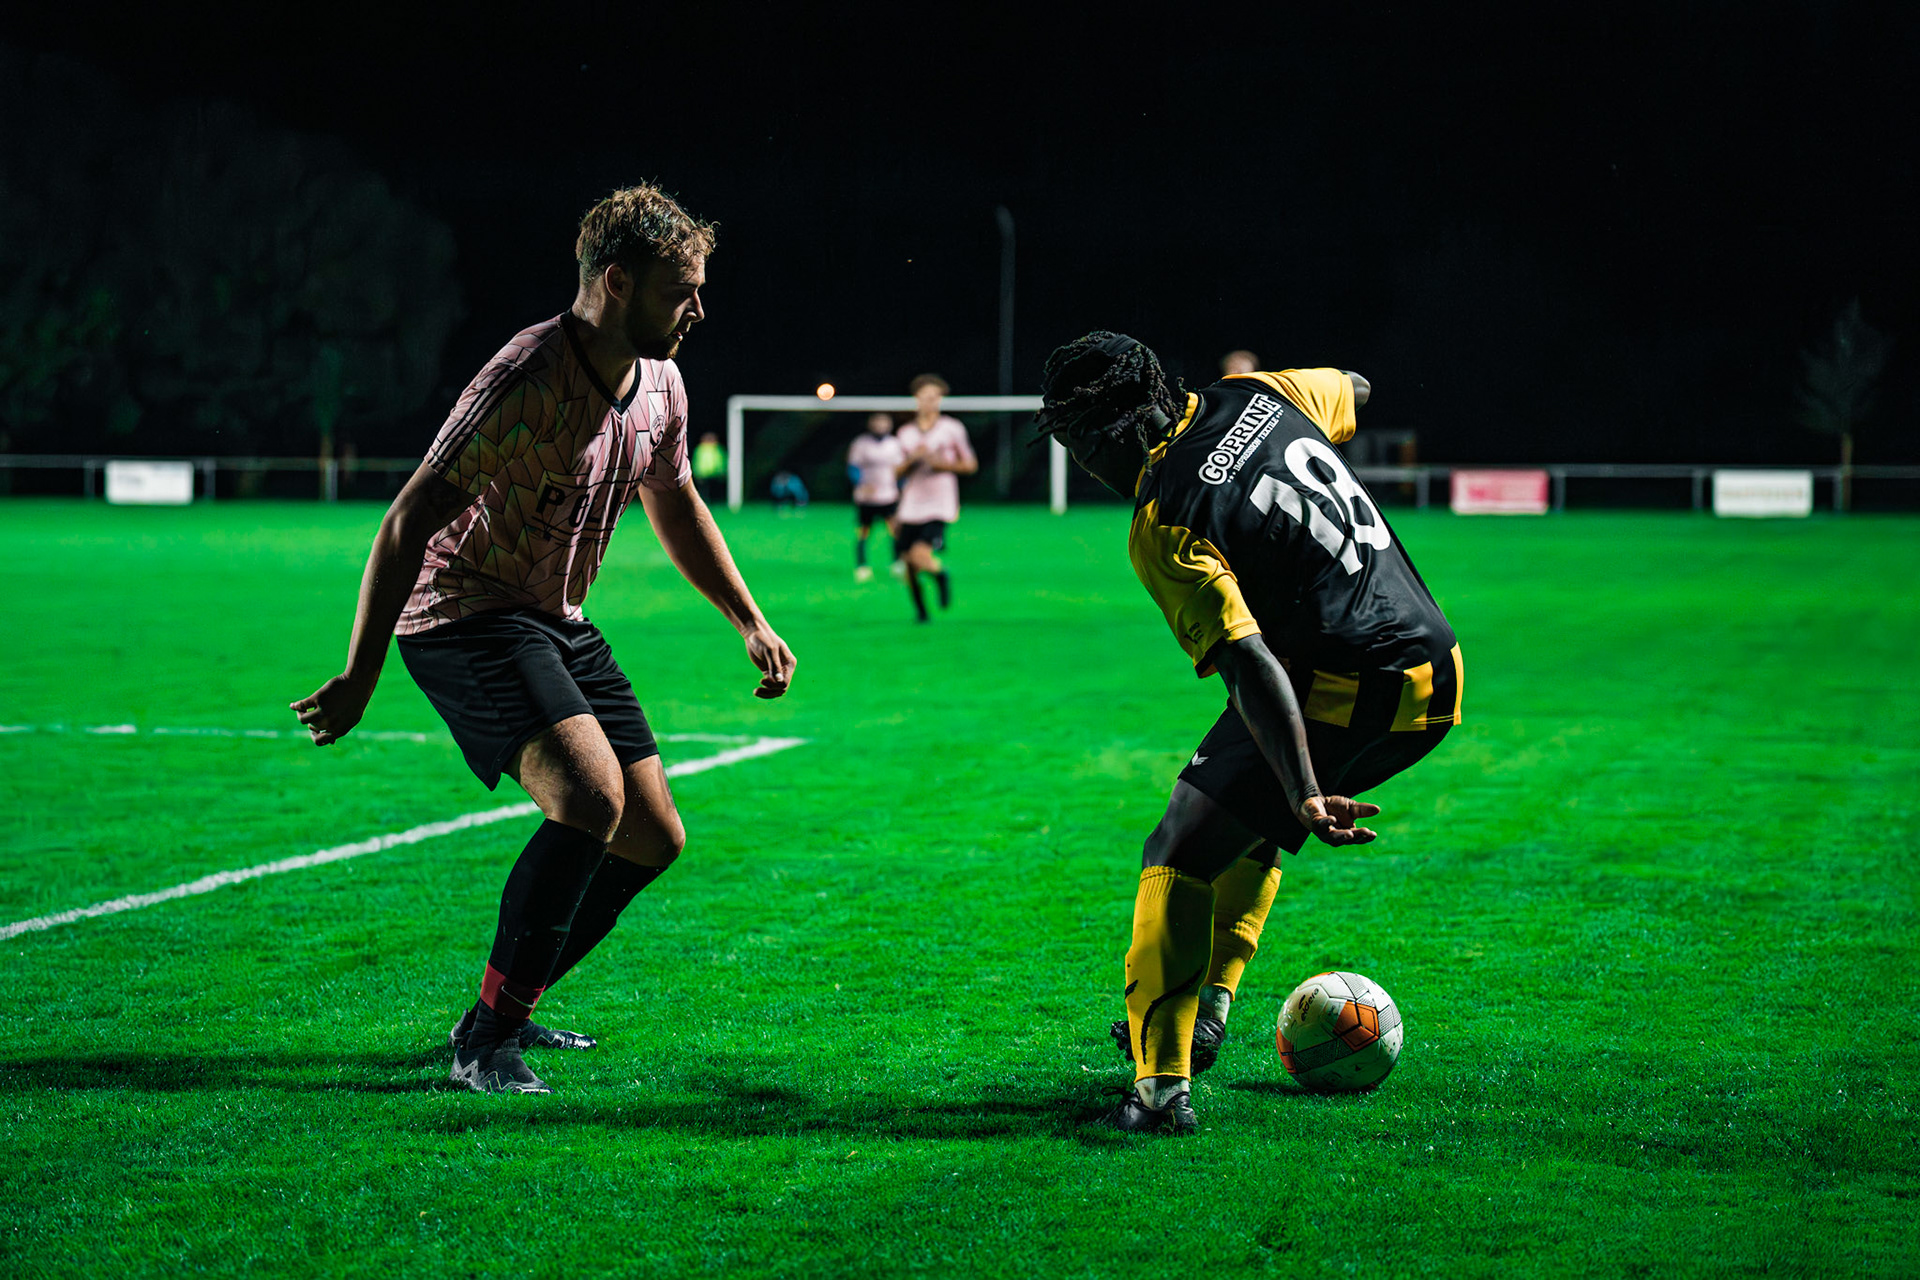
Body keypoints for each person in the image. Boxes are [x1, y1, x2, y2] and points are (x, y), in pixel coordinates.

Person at [289, 185, 798, 1096]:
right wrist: (362, 676)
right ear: (617, 282)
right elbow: (409, 520)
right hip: (465, 612)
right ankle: (486, 1042)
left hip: (554, 616)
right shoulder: (527, 381)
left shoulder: (665, 386)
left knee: (652, 837)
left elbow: (673, 499)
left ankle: (500, 1009)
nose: (699, 310)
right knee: (591, 801)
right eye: (682, 290)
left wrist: (748, 619)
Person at [1034, 332, 1462, 1133]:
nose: (1077, 465)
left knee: (1178, 847)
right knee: (1242, 807)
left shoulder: (1164, 515)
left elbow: (1248, 662)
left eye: (1074, 444)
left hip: (1343, 683)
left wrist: (1303, 789)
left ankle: (1161, 1093)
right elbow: (1358, 384)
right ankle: (1209, 1008)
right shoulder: (1260, 394)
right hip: (1436, 671)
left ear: (1109, 436)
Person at [893, 374, 977, 622]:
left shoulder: (952, 428)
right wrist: (913, 459)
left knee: (920, 555)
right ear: (916, 399)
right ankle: (921, 612)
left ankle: (941, 575)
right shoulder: (906, 432)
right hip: (911, 504)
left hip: (939, 504)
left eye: (934, 397)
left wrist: (939, 463)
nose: (929, 402)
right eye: (924, 397)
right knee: (908, 565)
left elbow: (970, 465)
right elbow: (896, 471)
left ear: (940, 399)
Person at [847, 411, 904, 581]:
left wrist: (901, 488)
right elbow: (853, 467)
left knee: (895, 530)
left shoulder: (894, 444)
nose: (880, 426)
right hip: (866, 497)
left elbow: (901, 469)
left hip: (888, 495)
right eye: (877, 423)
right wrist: (861, 484)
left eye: (884, 423)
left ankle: (897, 563)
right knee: (863, 532)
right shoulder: (861, 444)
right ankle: (862, 566)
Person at [692, 431, 727, 505]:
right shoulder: (700, 449)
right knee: (704, 491)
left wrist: (722, 471)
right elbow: (697, 461)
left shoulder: (717, 448)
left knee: (714, 491)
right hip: (704, 474)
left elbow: (721, 460)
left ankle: (715, 502)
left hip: (714, 473)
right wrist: (697, 473)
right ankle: (705, 503)